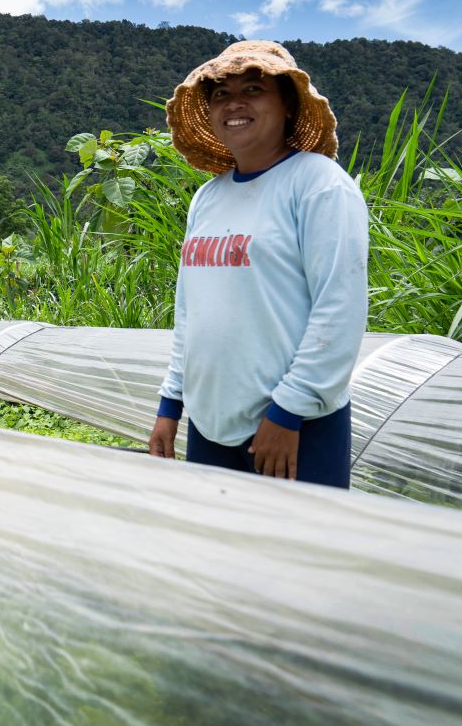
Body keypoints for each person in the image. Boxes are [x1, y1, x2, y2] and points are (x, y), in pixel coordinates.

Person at [149, 40, 369, 487]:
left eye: (253, 89)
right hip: (211, 421)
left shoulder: (319, 185)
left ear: (287, 103)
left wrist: (289, 411)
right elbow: (190, 312)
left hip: (292, 427)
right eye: (220, 94)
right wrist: (171, 402)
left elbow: (339, 310)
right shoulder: (208, 197)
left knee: (298, 553)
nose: (235, 104)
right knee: (218, 551)